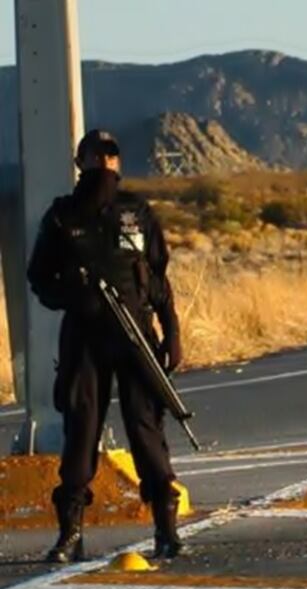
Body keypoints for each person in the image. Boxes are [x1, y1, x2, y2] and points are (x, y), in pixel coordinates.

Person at [28, 129, 186, 563]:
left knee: (146, 430)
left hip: (136, 336)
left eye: (111, 155)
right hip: (85, 338)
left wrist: (171, 329)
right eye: (97, 155)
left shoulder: (137, 211)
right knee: (80, 433)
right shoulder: (62, 217)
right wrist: (71, 296)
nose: (105, 163)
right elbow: (39, 277)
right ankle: (70, 534)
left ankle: (166, 529)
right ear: (81, 163)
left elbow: (158, 275)